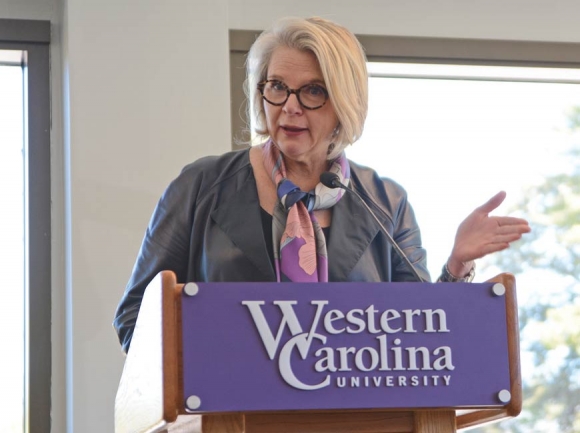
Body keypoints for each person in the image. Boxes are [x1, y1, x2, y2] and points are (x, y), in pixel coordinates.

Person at [113, 16, 531, 353]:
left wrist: (457, 263)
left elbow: (421, 336)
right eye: (277, 87)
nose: (290, 107)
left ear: (344, 104)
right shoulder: (201, 185)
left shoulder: (386, 202)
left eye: (313, 91)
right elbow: (136, 320)